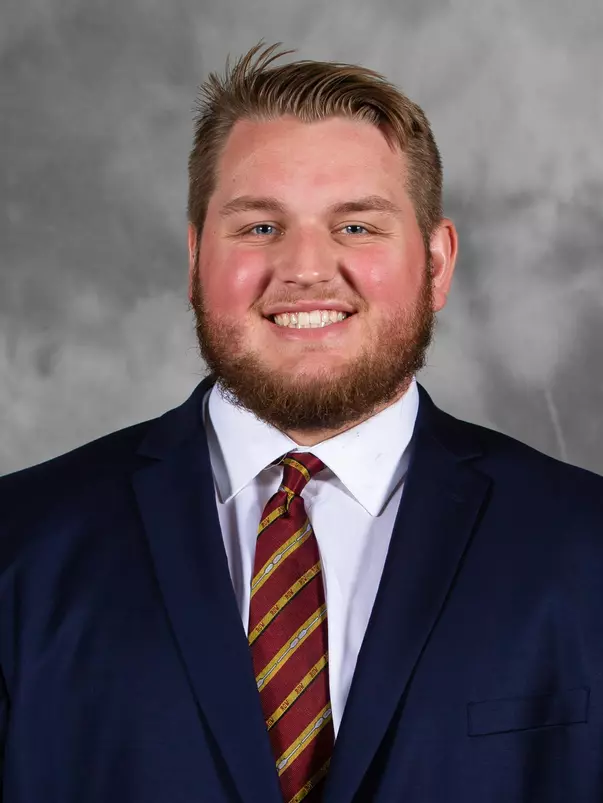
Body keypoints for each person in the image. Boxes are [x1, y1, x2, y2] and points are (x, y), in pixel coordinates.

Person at [0, 40, 602, 803]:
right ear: (193, 262)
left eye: (357, 226)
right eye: (258, 228)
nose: (306, 268)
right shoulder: (17, 546)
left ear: (438, 263)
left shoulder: (587, 548)